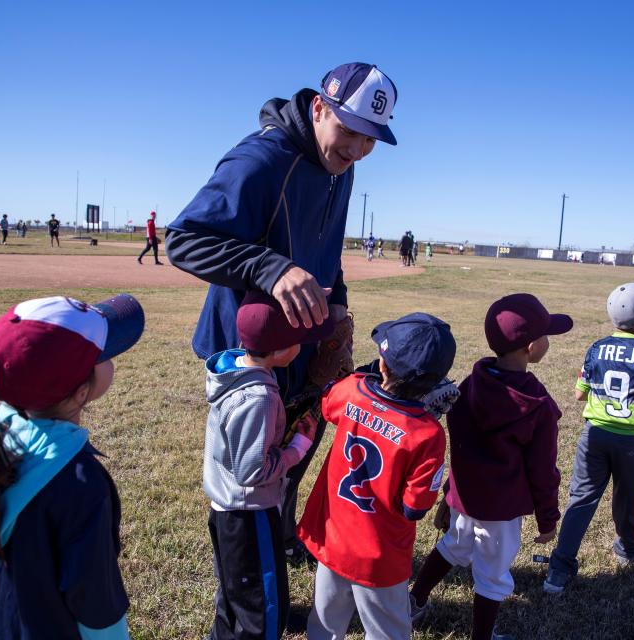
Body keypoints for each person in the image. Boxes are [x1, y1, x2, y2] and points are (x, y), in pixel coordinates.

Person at [165, 62, 399, 559]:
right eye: (350, 131)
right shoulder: (261, 160)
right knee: (255, 473)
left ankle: (282, 537)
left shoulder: (342, 165)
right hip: (254, 348)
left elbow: (327, 249)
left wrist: (336, 310)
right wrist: (268, 267)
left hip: (303, 341)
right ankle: (251, 581)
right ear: (319, 107)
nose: (357, 149)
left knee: (298, 448)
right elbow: (184, 242)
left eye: (370, 140)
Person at [0, 293, 145, 639]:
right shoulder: (81, 483)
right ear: (82, 391)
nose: (113, 359)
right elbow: (97, 607)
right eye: (106, 354)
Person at [409, 295, 571, 639]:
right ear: (530, 347)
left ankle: (414, 601)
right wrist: (548, 518)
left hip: (467, 500)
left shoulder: (469, 385)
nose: (547, 341)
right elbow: (543, 473)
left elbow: (462, 451)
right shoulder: (538, 406)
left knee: (455, 544)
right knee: (493, 575)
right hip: (501, 509)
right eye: (545, 336)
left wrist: (450, 495)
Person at [297, 313, 456, 640]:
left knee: (325, 623)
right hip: (379, 557)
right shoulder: (428, 434)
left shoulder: (353, 391)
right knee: (387, 631)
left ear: (382, 366)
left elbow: (328, 404)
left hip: (333, 538)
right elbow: (416, 507)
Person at [203, 291, 328, 640]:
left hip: (231, 510)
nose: (303, 347)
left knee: (233, 599)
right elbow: (252, 471)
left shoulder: (235, 371)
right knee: (262, 610)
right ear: (279, 349)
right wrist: (296, 449)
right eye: (298, 341)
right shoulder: (257, 397)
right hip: (248, 515)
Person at [543, 282, 634, 594]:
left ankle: (558, 570)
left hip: (595, 436)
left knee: (582, 498)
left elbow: (578, 394)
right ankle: (629, 548)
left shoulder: (597, 348)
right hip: (631, 442)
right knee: (628, 497)